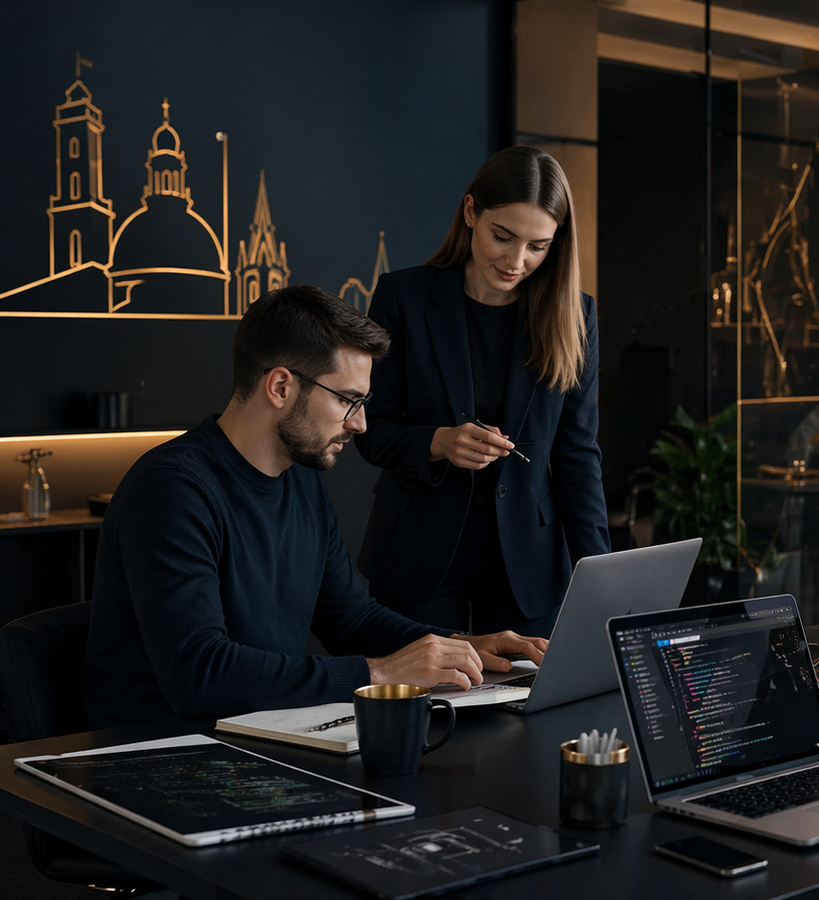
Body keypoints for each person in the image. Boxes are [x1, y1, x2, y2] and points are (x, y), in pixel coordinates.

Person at [85, 286, 546, 729]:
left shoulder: (301, 477)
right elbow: (199, 675)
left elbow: (349, 618)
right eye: (348, 400)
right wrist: (380, 674)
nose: (362, 424)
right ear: (281, 386)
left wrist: (459, 645)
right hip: (159, 756)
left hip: (260, 736)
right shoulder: (171, 491)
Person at [354, 146, 608, 637]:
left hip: (528, 564)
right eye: (503, 236)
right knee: (424, 708)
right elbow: (370, 430)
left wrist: (602, 578)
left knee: (526, 710)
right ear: (471, 212)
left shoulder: (578, 316)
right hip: (417, 554)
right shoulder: (401, 298)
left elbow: (578, 455)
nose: (517, 261)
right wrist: (438, 442)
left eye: (538, 246)